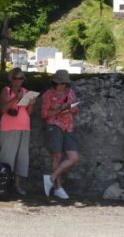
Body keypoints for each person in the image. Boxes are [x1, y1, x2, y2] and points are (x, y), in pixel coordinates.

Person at [41, 70, 79, 200]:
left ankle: (51, 178)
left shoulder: (70, 92)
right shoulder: (48, 95)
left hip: (68, 127)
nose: (64, 85)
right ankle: (58, 188)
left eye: (65, 83)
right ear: (55, 82)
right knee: (57, 156)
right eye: (61, 83)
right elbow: (45, 114)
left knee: (73, 158)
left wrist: (71, 107)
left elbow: (75, 110)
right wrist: (61, 108)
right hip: (54, 126)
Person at [0, 68, 36, 195]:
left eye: (22, 78)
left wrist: (31, 104)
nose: (19, 81)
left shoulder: (26, 92)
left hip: (24, 127)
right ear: (11, 79)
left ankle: (16, 185)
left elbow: (29, 112)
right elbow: (3, 108)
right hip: (9, 128)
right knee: (7, 158)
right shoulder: (6, 91)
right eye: (17, 78)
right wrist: (16, 99)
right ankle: (4, 185)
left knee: (22, 159)